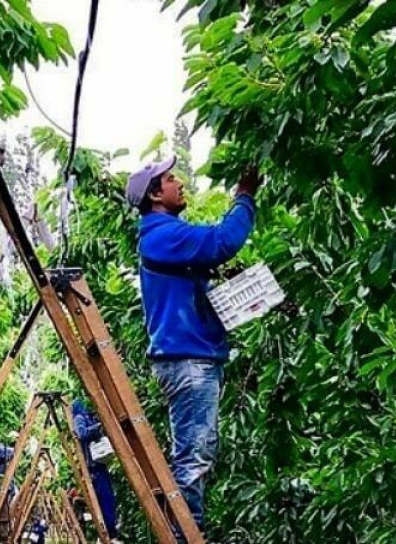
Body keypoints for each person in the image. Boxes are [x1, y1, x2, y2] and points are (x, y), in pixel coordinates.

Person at [125, 155, 262, 537]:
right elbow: (221, 242)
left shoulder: (166, 237)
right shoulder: (163, 235)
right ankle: (186, 534)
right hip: (188, 360)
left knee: (196, 450)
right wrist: (245, 196)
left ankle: (185, 531)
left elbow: (205, 265)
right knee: (194, 455)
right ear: (155, 195)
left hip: (190, 359)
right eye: (170, 179)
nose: (179, 182)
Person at [71, 399, 120, 541]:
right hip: (94, 466)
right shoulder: (79, 418)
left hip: (98, 465)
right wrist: (97, 427)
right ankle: (109, 531)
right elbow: (81, 433)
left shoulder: (88, 417)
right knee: (105, 498)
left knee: (108, 498)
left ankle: (110, 529)